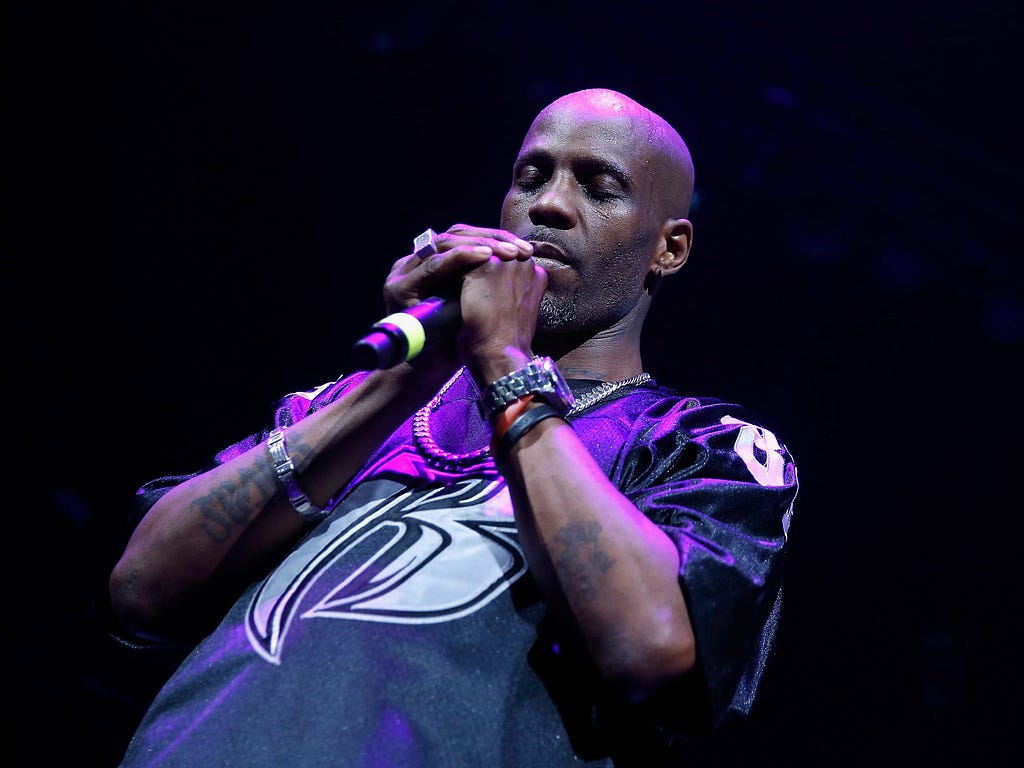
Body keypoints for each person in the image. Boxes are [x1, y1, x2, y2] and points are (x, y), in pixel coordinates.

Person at [107, 87, 799, 767]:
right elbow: (143, 589)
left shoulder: (701, 443)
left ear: (669, 248)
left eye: (599, 187)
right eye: (531, 177)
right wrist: (396, 384)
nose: (548, 206)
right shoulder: (346, 405)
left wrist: (506, 363)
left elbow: (649, 648)